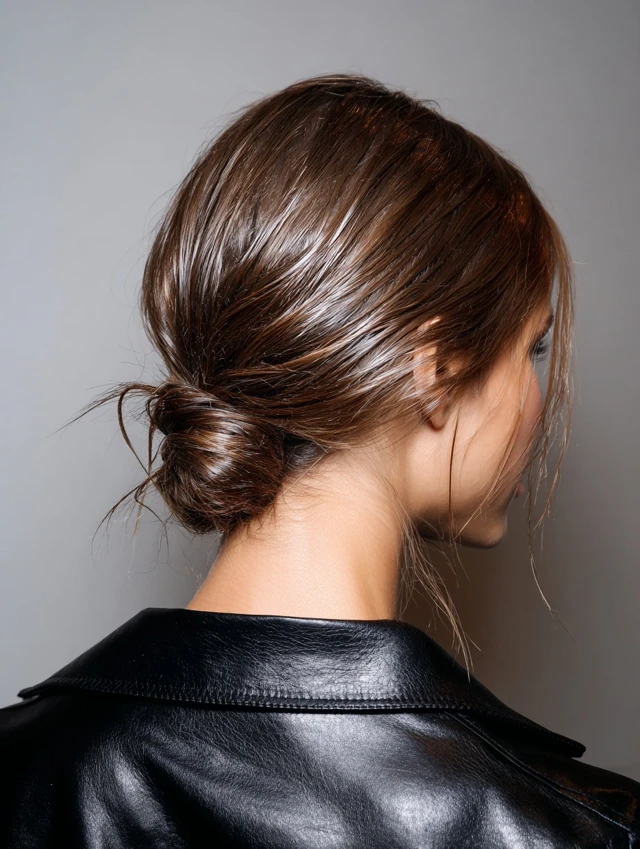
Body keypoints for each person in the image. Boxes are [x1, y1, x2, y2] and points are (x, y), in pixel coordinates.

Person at [1, 72, 638, 848]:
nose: (537, 399)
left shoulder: (19, 771)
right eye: (531, 348)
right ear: (435, 372)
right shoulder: (578, 829)